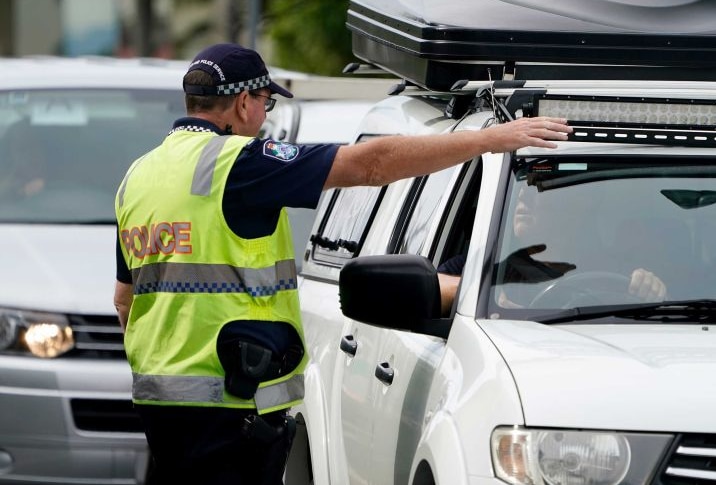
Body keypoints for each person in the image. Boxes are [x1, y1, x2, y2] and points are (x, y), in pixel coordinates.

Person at [112, 43, 571, 484]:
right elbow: (368, 167)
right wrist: (488, 140)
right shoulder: (236, 163)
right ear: (242, 102)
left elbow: (125, 300)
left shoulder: (139, 176)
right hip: (232, 405)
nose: (262, 118)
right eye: (266, 103)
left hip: (160, 407)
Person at [437, 183, 667, 313]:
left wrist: (652, 292)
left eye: (539, 185)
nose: (523, 194)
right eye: (521, 185)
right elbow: (430, 288)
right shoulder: (481, 268)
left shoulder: (620, 276)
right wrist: (482, 294)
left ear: (580, 204)